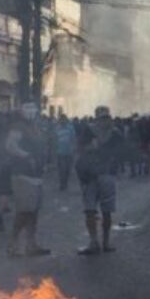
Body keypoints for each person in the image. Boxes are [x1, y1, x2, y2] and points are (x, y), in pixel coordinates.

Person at [77, 106, 123, 255]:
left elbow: (80, 148)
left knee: (99, 211)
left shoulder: (112, 133)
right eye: (103, 118)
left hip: (99, 175)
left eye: (105, 118)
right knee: (96, 211)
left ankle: (98, 242)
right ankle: (100, 242)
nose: (104, 121)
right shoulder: (113, 133)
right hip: (96, 175)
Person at [6, 111, 50, 256]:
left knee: (33, 212)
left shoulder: (34, 127)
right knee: (25, 211)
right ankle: (12, 244)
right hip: (23, 175)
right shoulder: (18, 127)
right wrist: (27, 156)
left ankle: (31, 244)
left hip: (36, 175)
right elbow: (10, 146)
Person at [54, 116, 76, 191]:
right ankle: (62, 184)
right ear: (60, 120)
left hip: (69, 152)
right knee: (62, 169)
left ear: (66, 120)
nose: (63, 121)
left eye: (64, 120)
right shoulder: (56, 128)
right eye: (61, 120)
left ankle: (65, 183)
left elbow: (73, 139)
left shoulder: (70, 128)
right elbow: (54, 139)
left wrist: (73, 148)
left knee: (67, 170)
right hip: (60, 152)